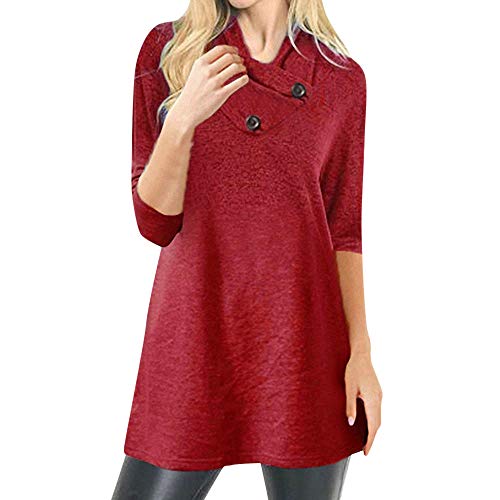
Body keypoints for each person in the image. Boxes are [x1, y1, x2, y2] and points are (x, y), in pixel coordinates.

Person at [112, 0, 382, 498]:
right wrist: (183, 117)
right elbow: (154, 222)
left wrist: (361, 354)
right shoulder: (170, 52)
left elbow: (343, 229)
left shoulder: (342, 79)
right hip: (194, 339)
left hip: (303, 349)